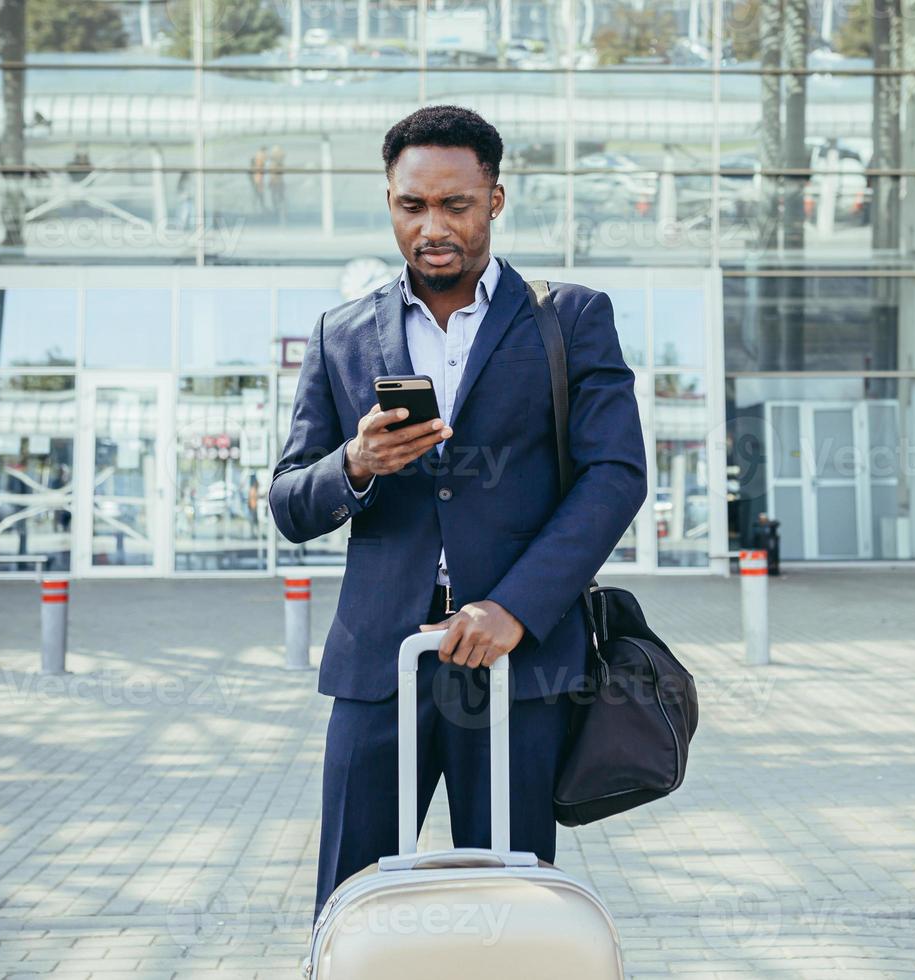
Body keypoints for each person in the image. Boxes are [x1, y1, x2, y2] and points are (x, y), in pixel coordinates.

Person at [268, 105, 647, 922]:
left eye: (456, 205)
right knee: (350, 905)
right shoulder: (341, 333)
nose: (432, 226)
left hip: (514, 668)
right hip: (380, 668)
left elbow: (614, 477)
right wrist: (356, 465)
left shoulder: (569, 318)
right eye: (412, 206)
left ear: (496, 200)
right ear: (391, 203)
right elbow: (289, 501)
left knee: (511, 908)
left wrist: (516, 606)